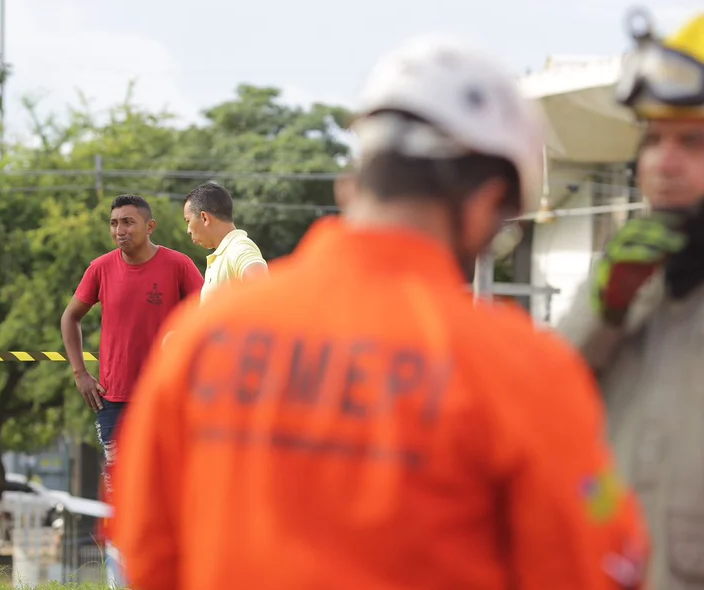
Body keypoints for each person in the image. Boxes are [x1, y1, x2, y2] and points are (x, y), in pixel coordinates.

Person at [111, 36, 648, 590]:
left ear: (355, 183)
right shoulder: (522, 369)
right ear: (488, 204)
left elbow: (148, 554)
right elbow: (599, 567)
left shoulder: (201, 339)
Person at [555, 9, 704, 589]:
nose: (662, 162)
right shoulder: (631, 277)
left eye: (693, 141)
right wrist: (606, 307)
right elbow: (544, 402)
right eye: (654, 138)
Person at [60, 193, 204, 494]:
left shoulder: (179, 265)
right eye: (114, 223)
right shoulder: (100, 268)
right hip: (113, 400)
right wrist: (81, 374)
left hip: (166, 395)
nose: (119, 230)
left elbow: (207, 317)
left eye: (128, 222)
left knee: (166, 485)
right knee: (122, 491)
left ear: (150, 226)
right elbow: (69, 318)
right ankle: (121, 543)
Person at [182, 182, 268, 304]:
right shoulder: (225, 254)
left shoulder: (239, 247)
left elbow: (264, 292)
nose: (188, 230)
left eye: (188, 221)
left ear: (204, 218)